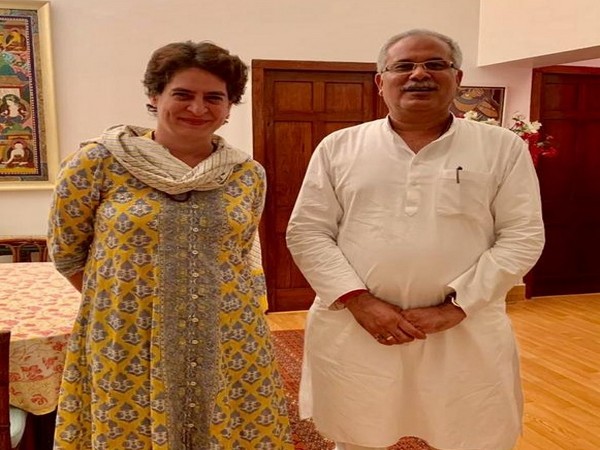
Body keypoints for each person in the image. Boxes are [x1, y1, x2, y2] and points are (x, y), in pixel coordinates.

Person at [286, 29, 545, 450]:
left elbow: (523, 234)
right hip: (360, 328)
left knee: (473, 435)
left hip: (464, 328)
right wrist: (359, 300)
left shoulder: (500, 148)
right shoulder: (340, 147)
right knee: (358, 435)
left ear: (457, 78)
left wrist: (457, 307)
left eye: (435, 64)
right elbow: (308, 231)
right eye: (403, 66)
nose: (418, 74)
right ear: (380, 81)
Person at [48, 41, 293, 450]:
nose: (198, 108)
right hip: (125, 335)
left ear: (229, 106)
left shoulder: (246, 174)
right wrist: (132, 305)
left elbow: (236, 254)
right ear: (154, 95)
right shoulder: (99, 161)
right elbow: (67, 251)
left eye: (213, 97)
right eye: (183, 94)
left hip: (227, 333)